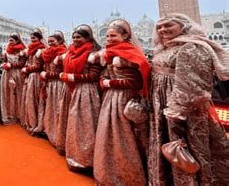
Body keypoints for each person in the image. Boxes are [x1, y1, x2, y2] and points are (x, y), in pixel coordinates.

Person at [148, 13, 229, 186]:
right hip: (162, 105)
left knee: (189, 149)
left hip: (183, 112)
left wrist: (176, 113)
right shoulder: (166, 48)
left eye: (169, 25)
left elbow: (193, 86)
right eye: (159, 27)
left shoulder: (192, 47)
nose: (163, 30)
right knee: (170, 149)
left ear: (183, 26)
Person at [93, 19, 150, 186]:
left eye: (114, 35)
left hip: (124, 99)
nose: (109, 38)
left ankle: (126, 177)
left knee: (124, 137)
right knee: (109, 135)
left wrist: (110, 83)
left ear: (125, 35)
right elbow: (105, 73)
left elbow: (135, 83)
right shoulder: (111, 53)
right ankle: (109, 173)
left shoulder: (129, 53)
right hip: (112, 99)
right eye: (108, 35)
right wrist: (105, 80)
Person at [59, 25, 102, 171]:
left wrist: (71, 77)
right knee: (72, 121)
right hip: (72, 88)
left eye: (79, 37)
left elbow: (93, 76)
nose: (76, 40)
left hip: (86, 92)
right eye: (74, 37)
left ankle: (86, 157)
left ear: (88, 38)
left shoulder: (94, 53)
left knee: (84, 123)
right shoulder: (70, 52)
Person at [40, 31, 67, 153]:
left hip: (59, 85)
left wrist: (48, 74)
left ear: (60, 41)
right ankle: (50, 131)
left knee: (58, 110)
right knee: (50, 108)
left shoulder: (63, 54)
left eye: (53, 41)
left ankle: (58, 135)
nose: (50, 44)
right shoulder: (46, 53)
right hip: (50, 85)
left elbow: (63, 73)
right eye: (49, 41)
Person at [21, 29, 46, 134]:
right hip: (30, 77)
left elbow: (39, 66)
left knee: (35, 100)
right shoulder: (31, 49)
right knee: (29, 100)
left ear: (40, 39)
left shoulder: (41, 49)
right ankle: (31, 121)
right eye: (31, 38)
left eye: (34, 38)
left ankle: (36, 123)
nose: (32, 40)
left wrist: (27, 69)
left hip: (36, 77)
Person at [0, 33, 27, 124]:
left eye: (12, 40)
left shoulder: (22, 51)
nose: (10, 42)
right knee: (7, 92)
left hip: (16, 74)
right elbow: (4, 61)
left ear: (17, 41)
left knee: (16, 93)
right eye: (9, 40)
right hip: (7, 74)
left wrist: (11, 65)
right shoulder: (6, 50)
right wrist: (4, 64)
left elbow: (22, 64)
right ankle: (8, 114)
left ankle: (18, 115)